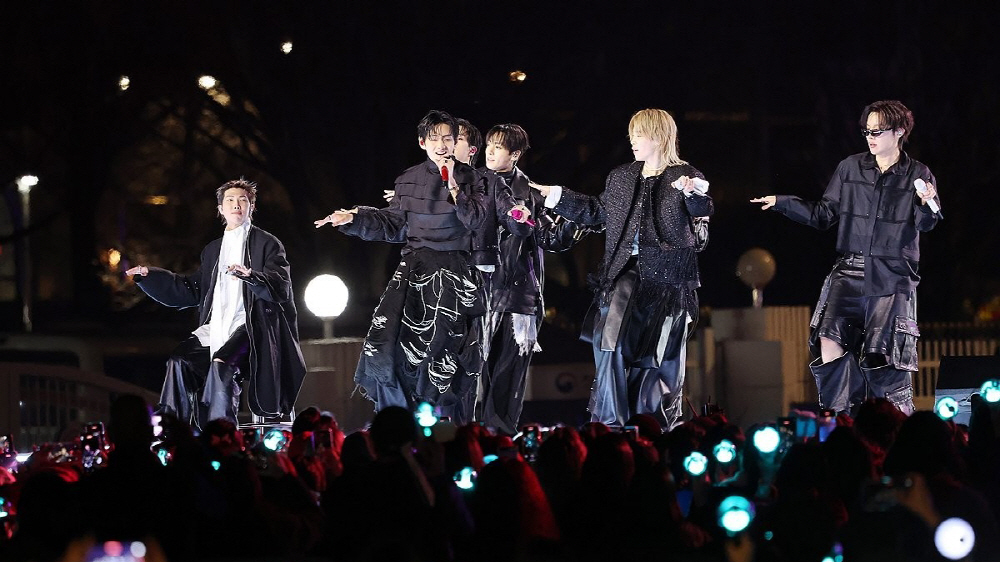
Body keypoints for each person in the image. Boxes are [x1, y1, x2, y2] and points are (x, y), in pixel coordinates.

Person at [315, 110, 531, 424]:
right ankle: (398, 423)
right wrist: (353, 218)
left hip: (458, 277)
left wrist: (462, 190)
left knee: (446, 359)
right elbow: (394, 224)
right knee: (388, 346)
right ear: (422, 142)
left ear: (456, 142)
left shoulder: (483, 181)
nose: (442, 145)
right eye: (434, 139)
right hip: (414, 274)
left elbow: (487, 219)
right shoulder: (408, 179)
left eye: (448, 138)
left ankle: (448, 427)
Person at [751, 100, 941, 416]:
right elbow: (823, 214)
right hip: (849, 269)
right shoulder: (850, 168)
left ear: (899, 131)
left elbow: (927, 223)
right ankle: (842, 415)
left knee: (880, 354)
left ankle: (892, 419)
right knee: (828, 337)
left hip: (892, 275)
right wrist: (783, 202)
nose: (870, 137)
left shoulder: (918, 173)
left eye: (877, 131)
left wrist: (926, 202)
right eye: (867, 131)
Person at [532, 108, 713, 430]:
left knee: (659, 357)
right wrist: (554, 196)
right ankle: (611, 423)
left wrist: (692, 193)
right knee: (609, 341)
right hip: (624, 273)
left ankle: (654, 426)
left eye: (638, 135)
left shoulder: (685, 175)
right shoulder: (622, 177)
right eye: (631, 135)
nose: (632, 141)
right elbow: (596, 211)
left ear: (658, 136)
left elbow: (701, 215)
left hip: (669, 282)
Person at [127, 179, 307, 429]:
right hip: (218, 325)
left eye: (243, 200)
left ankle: (221, 432)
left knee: (222, 364)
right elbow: (193, 289)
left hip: (251, 326)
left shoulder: (267, 243)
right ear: (221, 209)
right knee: (179, 361)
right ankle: (173, 429)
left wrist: (251, 276)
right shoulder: (213, 250)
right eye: (230, 200)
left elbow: (280, 286)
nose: (236, 205)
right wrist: (151, 276)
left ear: (252, 207)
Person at [478, 123, 594, 434]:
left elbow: (551, 237)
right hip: (474, 294)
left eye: (498, 146)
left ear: (515, 154)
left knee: (507, 375)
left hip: (517, 298)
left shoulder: (528, 193)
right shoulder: (471, 187)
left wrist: (579, 220)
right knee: (471, 373)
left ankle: (497, 437)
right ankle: (471, 435)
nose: (490, 152)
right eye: (489, 145)